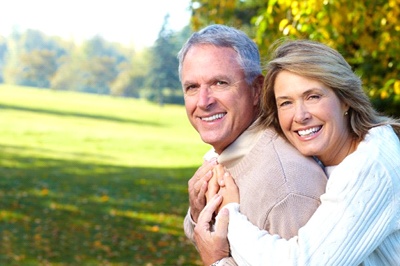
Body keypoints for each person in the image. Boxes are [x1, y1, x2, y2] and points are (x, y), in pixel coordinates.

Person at [196, 39, 400, 265]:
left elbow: (305, 262)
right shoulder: (327, 155)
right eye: (286, 103)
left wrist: (229, 217)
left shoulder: (373, 165)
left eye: (313, 97)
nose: (300, 116)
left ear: (345, 100)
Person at [178, 25, 328, 265]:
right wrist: (197, 214)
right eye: (192, 87)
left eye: (220, 83)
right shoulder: (230, 156)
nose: (204, 101)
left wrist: (216, 261)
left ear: (257, 89)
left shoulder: (287, 187)